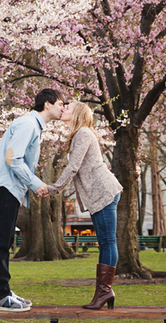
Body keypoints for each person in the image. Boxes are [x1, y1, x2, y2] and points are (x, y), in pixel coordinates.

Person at [0, 88, 64, 312]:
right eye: (60, 104)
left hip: (10, 189)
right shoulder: (28, 124)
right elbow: (12, 157)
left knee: (5, 240)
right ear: (47, 104)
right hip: (6, 188)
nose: (63, 108)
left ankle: (4, 291)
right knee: (0, 241)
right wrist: (36, 183)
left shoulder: (32, 125)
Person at [40, 101, 123, 310]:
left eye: (67, 107)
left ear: (76, 113)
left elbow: (74, 167)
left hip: (103, 192)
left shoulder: (84, 133)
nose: (63, 109)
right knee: (106, 242)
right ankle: (104, 292)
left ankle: (104, 292)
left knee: (107, 242)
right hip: (98, 194)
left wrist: (54, 188)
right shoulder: (80, 134)